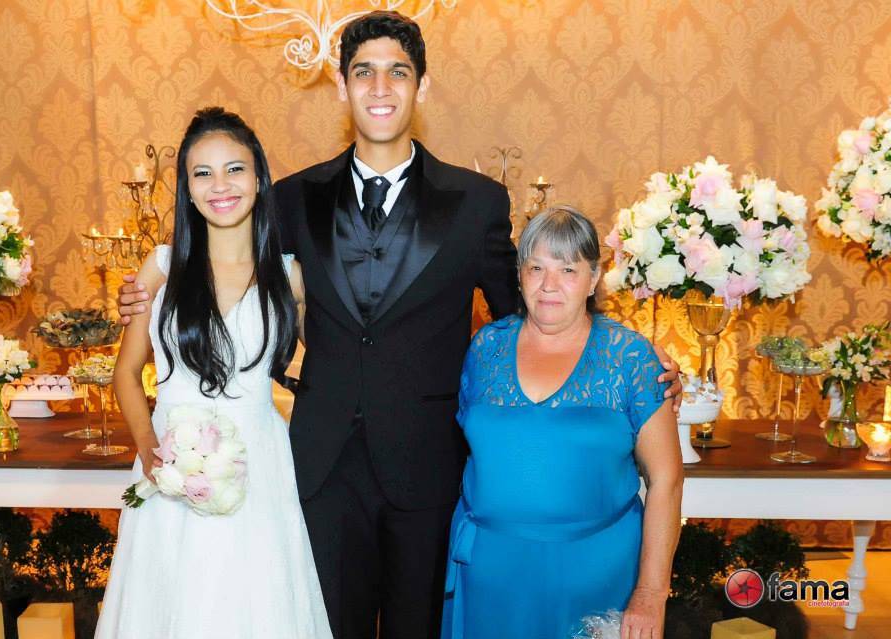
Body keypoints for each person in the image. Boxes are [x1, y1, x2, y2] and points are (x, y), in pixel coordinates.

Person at [119, 13, 682, 638]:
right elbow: (230, 273)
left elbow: (527, 312)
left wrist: (621, 356)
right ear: (342, 86)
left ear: (422, 86)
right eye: (364, 73)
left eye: (398, 72)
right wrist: (150, 289)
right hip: (321, 469)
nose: (380, 88)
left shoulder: (476, 202)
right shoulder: (293, 198)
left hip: (428, 467)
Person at [97, 107, 332, 639]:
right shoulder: (161, 267)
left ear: (259, 178)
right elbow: (126, 373)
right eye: (202, 173)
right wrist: (149, 451)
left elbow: (336, 365)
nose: (220, 185)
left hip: (260, 463)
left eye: (235, 169)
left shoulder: (290, 275)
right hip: (168, 462)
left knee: (256, 604)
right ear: (187, 188)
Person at [441, 206, 684, 639]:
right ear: (519, 276)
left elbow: (666, 479)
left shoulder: (631, 359)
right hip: (491, 578)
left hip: (596, 579)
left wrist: (650, 593)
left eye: (568, 269)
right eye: (536, 268)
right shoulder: (485, 348)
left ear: (593, 279)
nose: (549, 284)